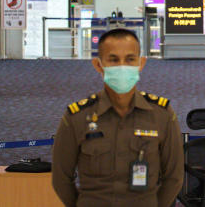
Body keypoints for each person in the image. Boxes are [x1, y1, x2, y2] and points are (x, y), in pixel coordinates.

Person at [52, 28, 183, 207]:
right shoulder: (76, 117)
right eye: (113, 60)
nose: (122, 66)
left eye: (130, 59)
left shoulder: (162, 115)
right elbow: (61, 179)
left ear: (141, 63)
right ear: (99, 65)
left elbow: (174, 177)